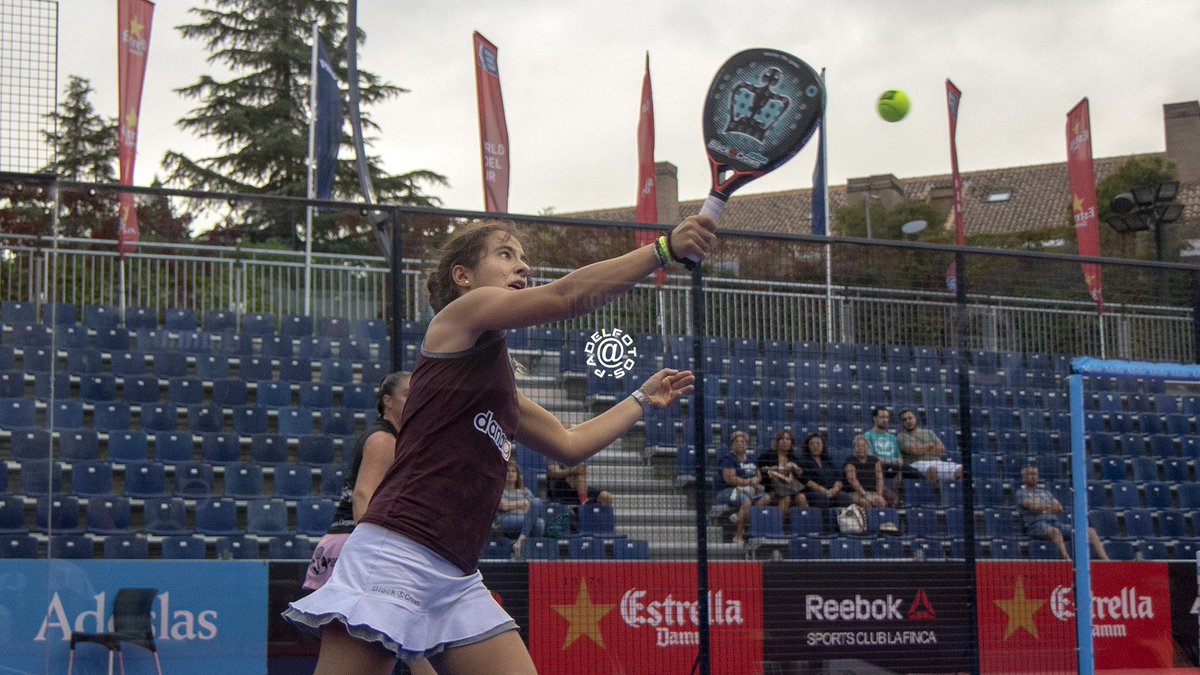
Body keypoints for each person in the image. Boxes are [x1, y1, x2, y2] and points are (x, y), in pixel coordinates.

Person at [284, 215, 713, 674]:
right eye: (506, 255)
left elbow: (570, 445)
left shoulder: (501, 386)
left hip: (457, 576)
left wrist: (641, 399)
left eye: (525, 259)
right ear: (463, 276)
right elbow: (566, 297)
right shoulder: (457, 318)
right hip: (395, 553)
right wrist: (663, 250)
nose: (522, 267)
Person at [304, 371, 412, 591]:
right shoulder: (383, 440)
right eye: (408, 394)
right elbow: (362, 495)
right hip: (351, 544)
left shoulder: (390, 438)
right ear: (387, 401)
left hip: (343, 541)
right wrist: (370, 550)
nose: (415, 400)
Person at [1015, 465, 1109, 561]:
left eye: (1035, 474)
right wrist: (1048, 507)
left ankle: (1106, 561)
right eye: (1030, 474)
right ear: (1024, 477)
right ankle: (1067, 559)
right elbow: (1033, 506)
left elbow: (1059, 507)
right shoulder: (1021, 493)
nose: (1033, 476)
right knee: (1055, 532)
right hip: (1035, 526)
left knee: (1090, 531)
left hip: (1055, 523)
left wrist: (1041, 509)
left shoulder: (1045, 492)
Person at [715, 430, 771, 544]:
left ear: (746, 444)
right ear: (732, 444)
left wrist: (756, 482)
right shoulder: (728, 459)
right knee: (746, 502)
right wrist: (750, 481)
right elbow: (730, 479)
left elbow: (758, 475)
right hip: (729, 491)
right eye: (737, 441)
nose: (740, 443)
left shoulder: (750, 459)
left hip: (748, 490)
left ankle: (739, 516)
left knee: (766, 498)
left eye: (743, 441)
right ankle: (738, 535)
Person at [895, 409, 962, 484]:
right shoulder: (901, 436)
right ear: (901, 423)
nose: (908, 421)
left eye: (910, 418)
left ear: (915, 418)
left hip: (937, 462)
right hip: (916, 464)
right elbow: (914, 450)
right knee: (932, 470)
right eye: (904, 420)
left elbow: (941, 448)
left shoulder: (928, 432)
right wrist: (930, 445)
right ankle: (937, 492)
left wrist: (921, 451)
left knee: (961, 469)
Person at [493, 460, 544, 557]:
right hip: (506, 520)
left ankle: (520, 543)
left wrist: (512, 505)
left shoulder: (525, 491)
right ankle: (522, 545)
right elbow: (503, 506)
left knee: (540, 523)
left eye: (513, 471)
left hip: (525, 519)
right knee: (537, 523)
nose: (511, 474)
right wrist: (523, 503)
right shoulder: (500, 491)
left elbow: (535, 507)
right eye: (508, 471)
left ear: (517, 475)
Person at [754, 429, 807, 513]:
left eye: (788, 439)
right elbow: (761, 470)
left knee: (801, 497)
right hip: (772, 489)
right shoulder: (767, 456)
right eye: (782, 439)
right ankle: (778, 524)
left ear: (791, 443)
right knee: (786, 498)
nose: (785, 441)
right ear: (777, 442)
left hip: (791, 490)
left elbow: (801, 477)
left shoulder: (794, 458)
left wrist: (796, 468)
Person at [863, 406, 920, 484]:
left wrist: (899, 462)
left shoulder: (892, 437)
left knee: (916, 472)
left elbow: (899, 457)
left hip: (896, 466)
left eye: (887, 417)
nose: (885, 420)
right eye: (882, 417)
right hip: (879, 467)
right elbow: (870, 458)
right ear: (875, 419)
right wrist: (890, 462)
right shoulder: (867, 435)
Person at [797, 433, 853, 509]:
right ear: (808, 446)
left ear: (823, 446)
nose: (815, 446)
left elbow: (839, 478)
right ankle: (824, 521)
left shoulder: (828, 460)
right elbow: (807, 481)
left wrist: (835, 489)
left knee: (844, 497)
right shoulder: (803, 460)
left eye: (818, 443)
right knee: (822, 499)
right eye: (812, 444)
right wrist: (825, 491)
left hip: (831, 491)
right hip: (813, 492)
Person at [843, 433, 895, 508]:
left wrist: (879, 495)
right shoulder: (850, 461)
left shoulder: (874, 460)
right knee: (865, 503)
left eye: (863, 445)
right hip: (855, 492)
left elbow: (879, 479)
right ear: (854, 448)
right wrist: (864, 494)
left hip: (873, 492)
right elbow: (852, 480)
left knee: (881, 502)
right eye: (858, 446)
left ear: (868, 447)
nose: (861, 448)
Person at [545, 460, 614, 507]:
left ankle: (602, 524)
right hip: (561, 488)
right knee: (577, 474)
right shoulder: (554, 454)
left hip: (581, 488)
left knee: (606, 496)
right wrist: (573, 470)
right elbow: (554, 473)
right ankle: (584, 501)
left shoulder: (576, 454)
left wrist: (580, 469)